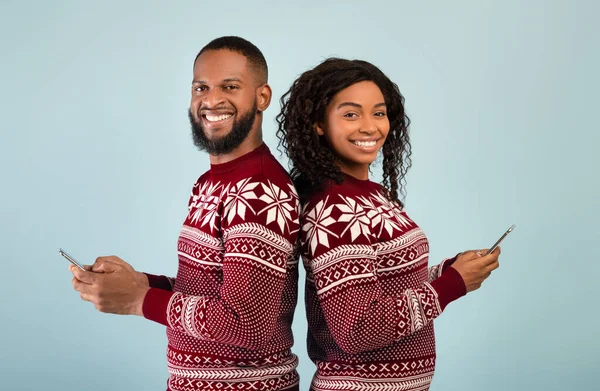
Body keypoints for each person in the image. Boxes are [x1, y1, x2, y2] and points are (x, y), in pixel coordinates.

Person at [70, 36, 301, 391]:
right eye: (201, 87)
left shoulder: (258, 189)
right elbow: (209, 291)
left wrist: (138, 300)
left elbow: (246, 324)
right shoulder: (210, 183)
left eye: (230, 86)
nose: (211, 99)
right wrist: (140, 283)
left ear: (262, 97)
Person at [276, 58, 501, 391]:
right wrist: (451, 285)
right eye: (351, 114)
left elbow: (386, 286)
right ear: (318, 124)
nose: (370, 127)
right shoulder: (336, 208)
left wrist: (451, 270)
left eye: (378, 113)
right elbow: (356, 328)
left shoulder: (371, 195)